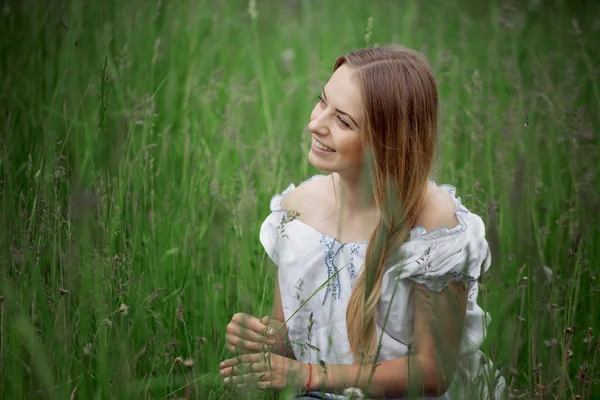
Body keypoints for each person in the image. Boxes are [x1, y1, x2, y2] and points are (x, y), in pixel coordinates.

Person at [219, 45, 505, 399]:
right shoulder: (297, 210)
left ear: (387, 141)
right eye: (322, 102)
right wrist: (264, 340)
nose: (314, 123)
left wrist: (308, 375)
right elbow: (291, 337)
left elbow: (434, 371)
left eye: (343, 120)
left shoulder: (435, 226)